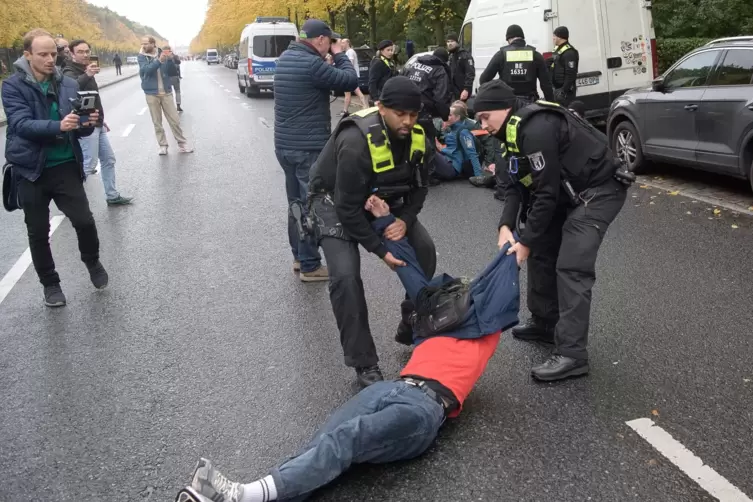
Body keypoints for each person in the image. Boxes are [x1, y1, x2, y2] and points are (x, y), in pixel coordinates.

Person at [175, 194, 520, 502]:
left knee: (346, 439)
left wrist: (511, 246)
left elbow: (498, 283)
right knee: (328, 438)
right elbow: (409, 269)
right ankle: (258, 494)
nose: (449, 301)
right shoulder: (435, 319)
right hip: (392, 388)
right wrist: (384, 219)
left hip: (423, 407)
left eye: (459, 295)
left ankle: (241, 495)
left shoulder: (482, 326)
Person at [474, 80, 630, 381]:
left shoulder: (536, 128)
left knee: (572, 266)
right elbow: (514, 188)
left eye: (485, 117)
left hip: (598, 191)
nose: (483, 125)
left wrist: (525, 241)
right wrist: (506, 226)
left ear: (504, 109)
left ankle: (572, 355)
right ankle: (546, 323)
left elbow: (545, 194)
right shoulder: (509, 133)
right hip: (565, 192)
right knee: (542, 248)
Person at [305, 76, 437, 387]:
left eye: (413, 115)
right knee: (346, 277)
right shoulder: (355, 143)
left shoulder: (420, 139)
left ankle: (411, 318)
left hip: (381, 197)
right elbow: (348, 209)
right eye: (399, 114)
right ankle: (364, 364)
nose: (407, 121)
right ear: (380, 108)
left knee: (425, 250)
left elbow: (420, 189)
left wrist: (403, 219)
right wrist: (381, 250)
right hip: (334, 201)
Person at [2, 29, 109, 307]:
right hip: (30, 170)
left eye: (54, 53)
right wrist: (58, 126)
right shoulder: (12, 86)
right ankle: (51, 285)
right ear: (27, 55)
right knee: (38, 232)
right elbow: (20, 124)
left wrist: (87, 124)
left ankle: (92, 261)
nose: (51, 59)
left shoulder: (69, 84)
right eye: (43, 54)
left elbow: (80, 131)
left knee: (84, 221)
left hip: (64, 166)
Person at [274, 19, 358, 282]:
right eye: (329, 42)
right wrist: (341, 53)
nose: (329, 46)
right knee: (311, 203)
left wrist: (327, 62)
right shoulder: (312, 64)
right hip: (307, 147)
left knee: (295, 203)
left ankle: (299, 257)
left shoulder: (287, 57)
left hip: (285, 145)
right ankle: (310, 264)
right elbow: (350, 80)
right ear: (321, 40)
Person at [63, 39, 133, 206]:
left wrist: (102, 120)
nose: (85, 54)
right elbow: (70, 90)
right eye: (80, 52)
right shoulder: (68, 71)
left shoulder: (87, 71)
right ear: (72, 54)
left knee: (108, 159)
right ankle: (72, 201)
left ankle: (112, 195)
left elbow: (93, 98)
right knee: (88, 164)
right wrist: (87, 74)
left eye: (87, 51)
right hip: (85, 125)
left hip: (97, 123)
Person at [399, 46, 451, 180]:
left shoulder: (415, 63)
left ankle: (405, 171)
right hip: (423, 111)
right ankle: (428, 175)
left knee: (405, 139)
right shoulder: (440, 70)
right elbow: (441, 98)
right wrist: (445, 116)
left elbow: (400, 80)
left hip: (403, 107)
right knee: (428, 142)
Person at [137, 36, 194, 155]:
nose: (144, 46)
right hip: (151, 93)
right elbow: (146, 71)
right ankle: (163, 145)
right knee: (157, 121)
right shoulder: (141, 56)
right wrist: (159, 61)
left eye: (146, 43)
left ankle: (182, 143)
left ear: (153, 44)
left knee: (174, 119)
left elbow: (172, 72)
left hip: (166, 92)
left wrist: (171, 59)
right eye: (142, 44)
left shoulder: (162, 53)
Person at [479, 25, 554, 103]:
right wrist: (552, 105)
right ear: (522, 38)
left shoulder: (501, 55)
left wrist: (498, 92)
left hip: (507, 104)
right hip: (529, 104)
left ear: (509, 39)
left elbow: (483, 80)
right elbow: (546, 85)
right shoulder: (535, 55)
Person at [432, 102, 485, 183]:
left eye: (450, 115)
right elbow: (452, 149)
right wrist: (441, 148)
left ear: (457, 117)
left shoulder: (463, 132)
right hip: (448, 161)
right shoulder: (451, 129)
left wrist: (479, 176)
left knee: (428, 149)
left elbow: (472, 154)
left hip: (452, 168)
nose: (446, 117)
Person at [550, 26, 579, 105]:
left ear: (560, 37)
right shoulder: (557, 49)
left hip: (565, 93)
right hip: (556, 89)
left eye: (554, 36)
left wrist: (563, 90)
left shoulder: (569, 53)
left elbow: (571, 74)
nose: (553, 38)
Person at [341, 39, 368, 114]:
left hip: (350, 76)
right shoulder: (348, 52)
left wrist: (346, 73)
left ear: (347, 43)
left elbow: (350, 64)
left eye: (343, 42)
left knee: (349, 92)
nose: (341, 44)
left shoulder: (350, 52)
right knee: (351, 92)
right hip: (352, 75)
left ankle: (346, 110)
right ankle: (346, 110)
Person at [445, 33, 475, 103]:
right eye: (448, 42)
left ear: (457, 42)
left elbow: (470, 74)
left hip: (461, 92)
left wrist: (466, 89)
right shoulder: (450, 56)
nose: (450, 44)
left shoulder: (465, 55)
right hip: (452, 93)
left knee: (460, 111)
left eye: (452, 41)